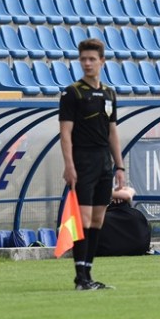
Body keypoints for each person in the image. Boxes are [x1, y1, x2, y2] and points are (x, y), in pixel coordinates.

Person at [59, 38, 126, 290]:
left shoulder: (109, 93)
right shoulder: (72, 93)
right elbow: (65, 133)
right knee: (83, 219)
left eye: (92, 59)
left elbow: (112, 132)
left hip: (103, 162)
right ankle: (80, 277)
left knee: (98, 220)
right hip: (83, 161)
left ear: (102, 61)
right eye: (83, 59)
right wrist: (69, 165)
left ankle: (88, 273)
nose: (87, 63)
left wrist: (119, 166)